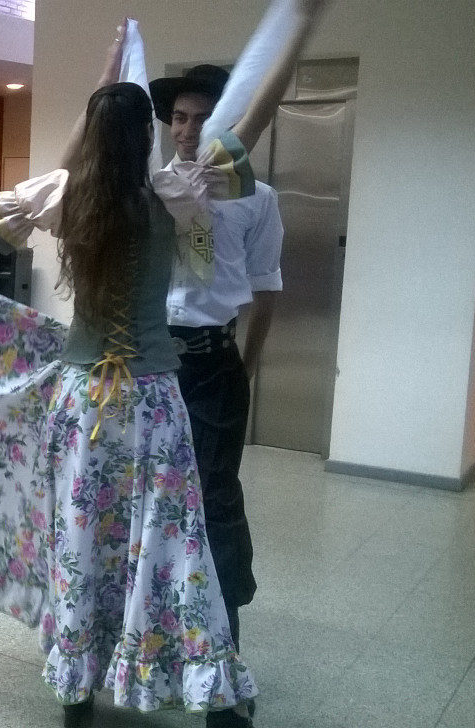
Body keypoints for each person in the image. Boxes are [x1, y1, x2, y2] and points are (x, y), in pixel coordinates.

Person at [0, 2, 327, 726]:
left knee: (81, 533)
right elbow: (259, 109)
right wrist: (302, 23)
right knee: (171, 538)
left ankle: (77, 685)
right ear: (148, 138)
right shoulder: (176, 194)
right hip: (156, 400)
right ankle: (202, 681)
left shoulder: (68, 199)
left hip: (84, 401)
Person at [149, 63, 286, 666]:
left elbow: (266, 288)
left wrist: (244, 367)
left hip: (213, 368)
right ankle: (148, 640)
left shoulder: (257, 199)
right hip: (150, 367)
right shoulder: (152, 190)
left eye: (202, 117)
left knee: (214, 501)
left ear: (224, 124)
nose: (187, 129)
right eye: (178, 117)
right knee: (146, 501)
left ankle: (222, 657)